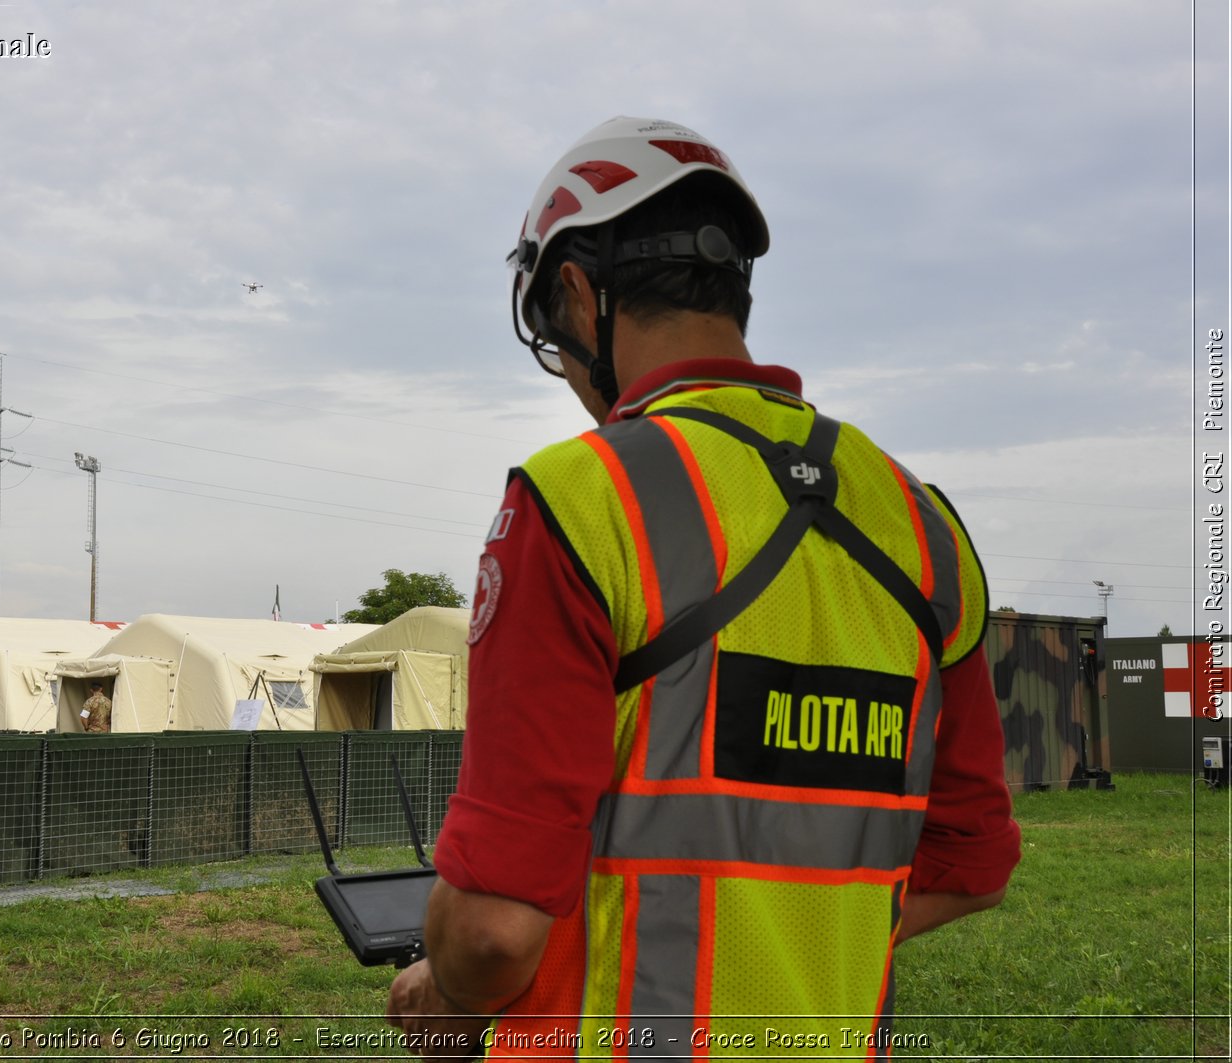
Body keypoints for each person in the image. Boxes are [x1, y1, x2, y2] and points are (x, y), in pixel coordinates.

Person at [387, 117, 1021, 1059]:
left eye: (556, 343)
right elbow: (972, 864)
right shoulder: (921, 523)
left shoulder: (576, 500)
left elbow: (490, 931)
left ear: (576, 294)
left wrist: (444, 990)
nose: (567, 374)